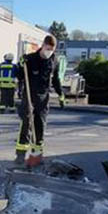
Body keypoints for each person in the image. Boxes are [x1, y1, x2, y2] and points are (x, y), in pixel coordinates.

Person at [15, 34, 65, 163]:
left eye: (52, 50)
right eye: (47, 48)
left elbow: (56, 80)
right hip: (29, 95)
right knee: (26, 124)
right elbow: (20, 76)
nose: (49, 52)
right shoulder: (30, 59)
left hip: (44, 97)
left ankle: (36, 156)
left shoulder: (55, 61)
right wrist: (20, 66)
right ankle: (20, 155)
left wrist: (61, 94)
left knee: (40, 125)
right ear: (42, 46)